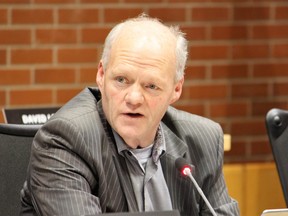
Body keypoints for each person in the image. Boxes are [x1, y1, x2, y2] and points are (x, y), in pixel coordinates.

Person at [20, 14, 239, 216]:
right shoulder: (65, 141)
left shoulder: (203, 139)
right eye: (121, 80)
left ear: (176, 89)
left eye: (151, 86)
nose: (134, 98)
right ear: (101, 74)